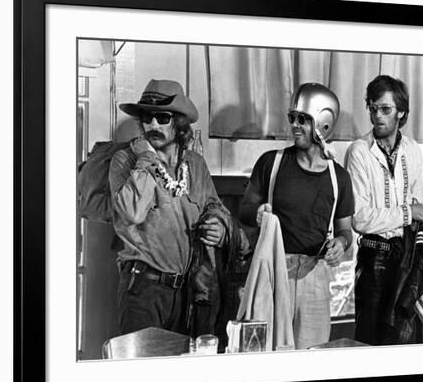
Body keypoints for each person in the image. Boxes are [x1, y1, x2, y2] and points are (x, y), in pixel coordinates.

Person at [109, 79, 229, 336]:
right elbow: (132, 212)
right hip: (142, 289)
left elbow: (215, 206)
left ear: (180, 123)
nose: (153, 125)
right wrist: (146, 158)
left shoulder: (195, 165)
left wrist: (218, 227)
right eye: (147, 117)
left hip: (187, 291)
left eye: (162, 118)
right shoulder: (126, 161)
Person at [239, 83, 355, 349]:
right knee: (263, 353)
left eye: (303, 119)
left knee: (311, 359)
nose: (295, 125)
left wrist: (340, 244)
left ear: (323, 124)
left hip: (315, 277)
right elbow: (245, 209)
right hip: (272, 269)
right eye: (292, 117)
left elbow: (345, 231)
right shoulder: (271, 162)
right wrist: (257, 214)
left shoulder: (339, 178)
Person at [344, 75, 423, 345]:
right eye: (372, 108)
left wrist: (411, 214)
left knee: (404, 339)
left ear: (401, 112)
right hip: (373, 258)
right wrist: (407, 213)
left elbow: (420, 206)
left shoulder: (412, 150)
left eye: (385, 109)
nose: (377, 116)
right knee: (370, 341)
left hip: (406, 256)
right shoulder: (359, 151)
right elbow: (361, 218)